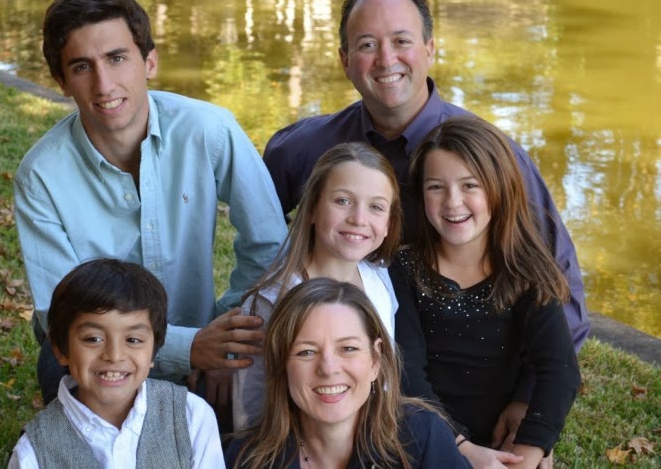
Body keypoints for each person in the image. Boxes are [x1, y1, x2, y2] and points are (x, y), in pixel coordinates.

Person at [262, 0, 588, 449]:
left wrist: (528, 402)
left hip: (475, 388)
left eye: (402, 41)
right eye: (367, 45)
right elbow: (262, 246)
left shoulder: (494, 158)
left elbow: (560, 287)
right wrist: (239, 327)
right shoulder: (303, 149)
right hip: (359, 378)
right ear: (345, 60)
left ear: (430, 50)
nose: (386, 59)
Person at [13, 0, 287, 406]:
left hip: (205, 340)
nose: (104, 85)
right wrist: (187, 348)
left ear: (150, 61)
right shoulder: (40, 176)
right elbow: (60, 313)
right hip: (95, 352)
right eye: (82, 66)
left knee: (245, 427)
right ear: (62, 82)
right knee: (97, 417)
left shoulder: (209, 130)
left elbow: (269, 243)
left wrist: (228, 331)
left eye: (117, 58)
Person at [389, 117, 582, 468]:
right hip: (424, 433)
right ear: (420, 194)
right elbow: (409, 375)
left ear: (499, 188)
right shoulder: (404, 270)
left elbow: (560, 370)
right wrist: (462, 449)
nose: (453, 202)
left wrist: (528, 450)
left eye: (470, 185)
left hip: (499, 437)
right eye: (436, 187)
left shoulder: (525, 271)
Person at [232, 142, 402, 431]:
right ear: (311, 209)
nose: (359, 219)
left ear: (389, 223)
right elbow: (249, 412)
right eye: (342, 201)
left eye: (376, 207)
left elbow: (383, 382)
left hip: (373, 438)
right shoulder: (271, 300)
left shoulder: (379, 279)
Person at [225, 277, 472, 468]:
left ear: (375, 360)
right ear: (281, 365)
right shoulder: (246, 459)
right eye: (306, 352)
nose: (328, 369)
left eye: (348, 348)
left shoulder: (422, 437)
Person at [9, 258, 224, 468]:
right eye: (93, 339)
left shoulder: (191, 418)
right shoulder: (34, 453)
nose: (114, 355)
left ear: (154, 352)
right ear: (61, 351)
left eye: (133, 340)